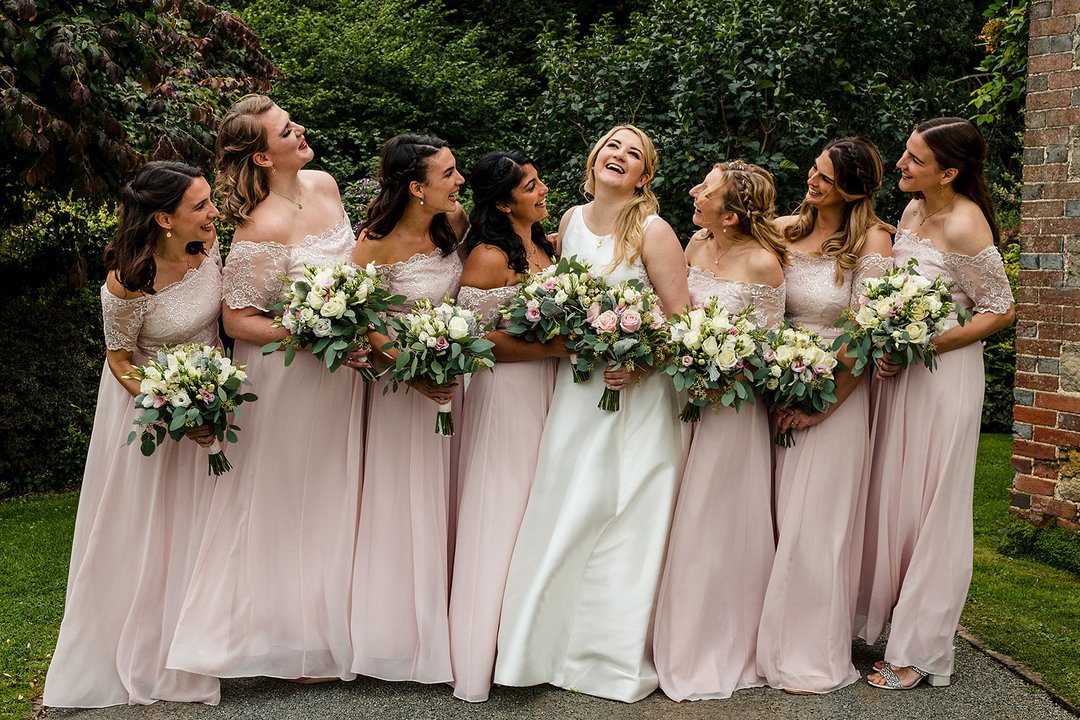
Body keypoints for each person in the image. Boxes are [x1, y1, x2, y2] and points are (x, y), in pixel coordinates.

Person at [167, 95, 364, 682]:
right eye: (285, 130)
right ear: (261, 156)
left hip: (339, 375)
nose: (299, 129)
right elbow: (238, 320)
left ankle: (328, 633)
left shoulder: (326, 186)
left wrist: (349, 323)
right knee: (280, 499)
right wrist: (313, 329)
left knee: (333, 495)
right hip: (285, 375)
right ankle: (274, 641)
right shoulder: (258, 228)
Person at [494, 125, 691, 703]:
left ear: (644, 177)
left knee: (626, 512)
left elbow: (681, 321)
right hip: (579, 390)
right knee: (566, 502)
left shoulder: (653, 230)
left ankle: (608, 656)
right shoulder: (571, 225)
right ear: (595, 156)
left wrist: (641, 363)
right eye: (613, 145)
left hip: (637, 393)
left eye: (634, 153)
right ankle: (541, 647)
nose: (619, 155)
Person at [43, 161, 222, 707]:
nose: (214, 212)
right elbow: (119, 358)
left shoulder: (210, 249)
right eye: (201, 205)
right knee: (154, 528)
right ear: (164, 219)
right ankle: (155, 648)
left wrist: (208, 399)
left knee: (214, 522)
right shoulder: (127, 280)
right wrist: (171, 406)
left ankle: (210, 640)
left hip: (215, 398)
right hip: (152, 411)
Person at [858, 118, 1015, 690]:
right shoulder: (912, 212)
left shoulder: (966, 223)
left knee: (934, 507)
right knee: (896, 498)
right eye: (905, 153)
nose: (900, 165)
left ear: (949, 172)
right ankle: (886, 621)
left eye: (914, 159)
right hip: (901, 377)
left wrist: (922, 342)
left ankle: (920, 651)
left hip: (944, 377)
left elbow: (999, 309)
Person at [756, 137, 894, 694]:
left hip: (835, 395)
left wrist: (821, 408)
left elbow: (867, 334)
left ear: (855, 189)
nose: (812, 183)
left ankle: (808, 649)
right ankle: (760, 635)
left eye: (827, 179)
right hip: (773, 386)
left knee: (816, 525)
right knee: (771, 517)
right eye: (814, 170)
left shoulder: (874, 242)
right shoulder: (785, 230)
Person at [652, 160, 786, 701]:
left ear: (730, 215)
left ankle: (711, 642)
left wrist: (725, 371)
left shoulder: (763, 265)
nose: (693, 192)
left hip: (731, 409)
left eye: (704, 190)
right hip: (683, 397)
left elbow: (769, 348)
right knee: (676, 508)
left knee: (714, 518)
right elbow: (679, 315)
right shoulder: (695, 245)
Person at [448, 151, 568, 702]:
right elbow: (472, 339)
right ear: (501, 202)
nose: (543, 191)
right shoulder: (488, 258)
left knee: (539, 510)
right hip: (506, 397)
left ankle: (530, 640)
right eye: (530, 186)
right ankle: (482, 652)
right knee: (502, 510)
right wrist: (555, 346)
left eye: (540, 182)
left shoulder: (547, 247)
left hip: (551, 392)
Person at [350, 133, 468, 683]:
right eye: (447, 174)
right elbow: (362, 319)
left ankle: (454, 617)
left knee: (452, 494)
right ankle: (400, 634)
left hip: (454, 380)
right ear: (416, 188)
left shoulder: (456, 225)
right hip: (402, 389)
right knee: (405, 498)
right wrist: (412, 372)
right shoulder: (374, 241)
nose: (458, 181)